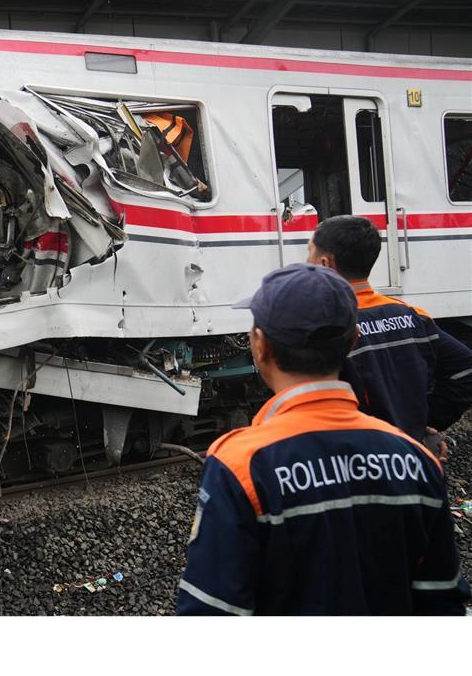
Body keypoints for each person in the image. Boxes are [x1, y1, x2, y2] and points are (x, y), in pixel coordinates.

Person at [177, 263, 469, 615]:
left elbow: (210, 611)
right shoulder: (418, 461)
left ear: (260, 346)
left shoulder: (240, 463)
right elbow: (442, 602)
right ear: (353, 340)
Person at [307, 215, 472, 458]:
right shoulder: (414, 316)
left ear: (325, 263)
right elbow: (466, 369)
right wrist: (421, 421)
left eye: (308, 252)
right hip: (413, 458)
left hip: (362, 461)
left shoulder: (326, 327)